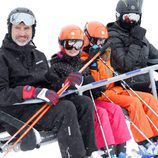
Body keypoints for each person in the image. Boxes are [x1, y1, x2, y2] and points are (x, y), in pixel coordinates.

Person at [0, 7, 100, 158]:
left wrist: (67, 82)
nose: (22, 33)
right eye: (17, 28)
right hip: (17, 113)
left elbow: (51, 82)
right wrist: (31, 92)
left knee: (84, 102)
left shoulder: (38, 56)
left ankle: (90, 153)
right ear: (10, 29)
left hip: (39, 107)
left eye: (26, 28)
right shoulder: (2, 57)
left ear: (33, 30)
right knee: (66, 108)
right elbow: (2, 94)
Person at [49, 24, 131, 157]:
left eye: (78, 44)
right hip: (77, 105)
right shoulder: (57, 65)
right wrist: (76, 84)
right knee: (101, 113)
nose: (74, 49)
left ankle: (121, 152)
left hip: (90, 99)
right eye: (70, 44)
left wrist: (96, 86)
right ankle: (106, 151)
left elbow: (92, 84)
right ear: (62, 44)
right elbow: (58, 87)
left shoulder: (82, 62)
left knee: (115, 109)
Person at [82, 21, 158, 152]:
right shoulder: (84, 59)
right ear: (87, 39)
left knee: (148, 98)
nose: (100, 44)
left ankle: (156, 136)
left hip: (116, 89)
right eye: (96, 40)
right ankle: (144, 142)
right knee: (133, 103)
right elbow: (97, 82)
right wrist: (92, 62)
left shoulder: (106, 54)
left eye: (102, 41)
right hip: (103, 94)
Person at [107, 0, 158, 92]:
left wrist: (137, 39)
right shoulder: (113, 36)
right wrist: (136, 42)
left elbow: (154, 56)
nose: (131, 21)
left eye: (136, 17)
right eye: (127, 17)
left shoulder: (137, 34)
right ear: (118, 16)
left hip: (145, 80)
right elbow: (125, 65)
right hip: (127, 83)